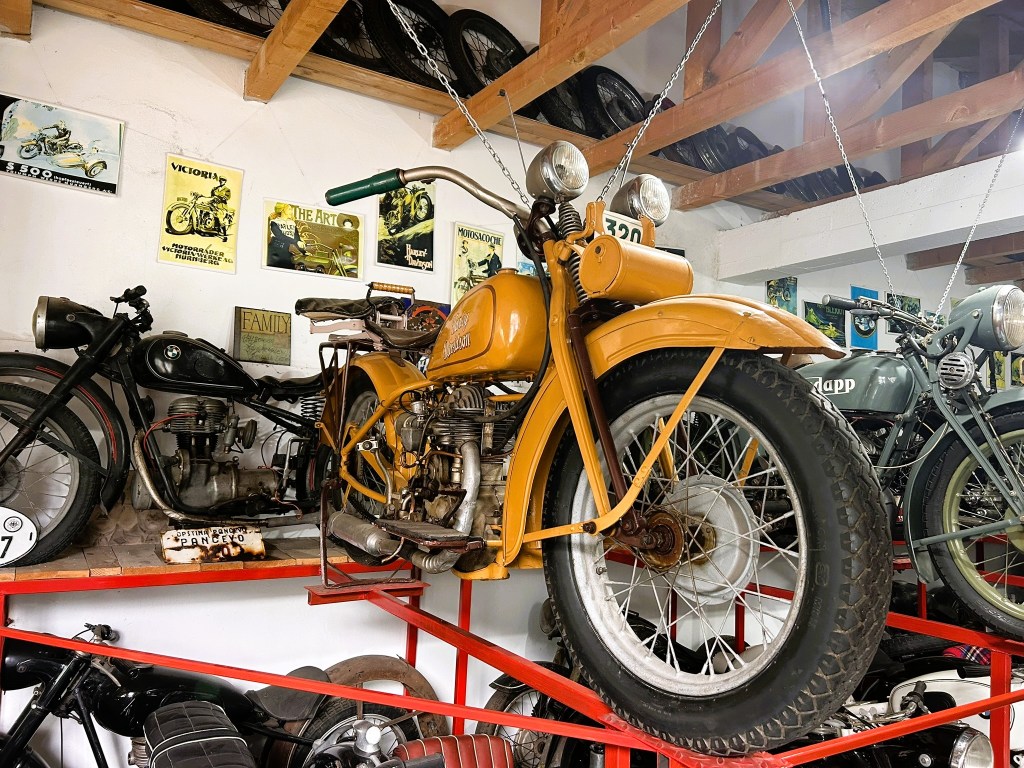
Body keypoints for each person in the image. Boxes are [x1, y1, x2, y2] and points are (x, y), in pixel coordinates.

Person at [267, 202, 304, 269]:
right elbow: (280, 236)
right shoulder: (274, 222)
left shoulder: (292, 223)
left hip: (287, 252)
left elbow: (297, 238)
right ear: (283, 209)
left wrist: (304, 251)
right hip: (275, 252)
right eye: (289, 209)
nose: (291, 211)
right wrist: (296, 242)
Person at [209, 176, 232, 241]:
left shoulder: (227, 190)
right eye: (221, 180)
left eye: (223, 180)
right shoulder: (216, 188)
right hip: (215, 205)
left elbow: (227, 198)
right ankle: (216, 230)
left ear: (225, 182)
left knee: (221, 220)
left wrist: (218, 195)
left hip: (222, 206)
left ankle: (225, 236)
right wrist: (212, 192)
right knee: (214, 217)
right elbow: (212, 196)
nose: (222, 181)